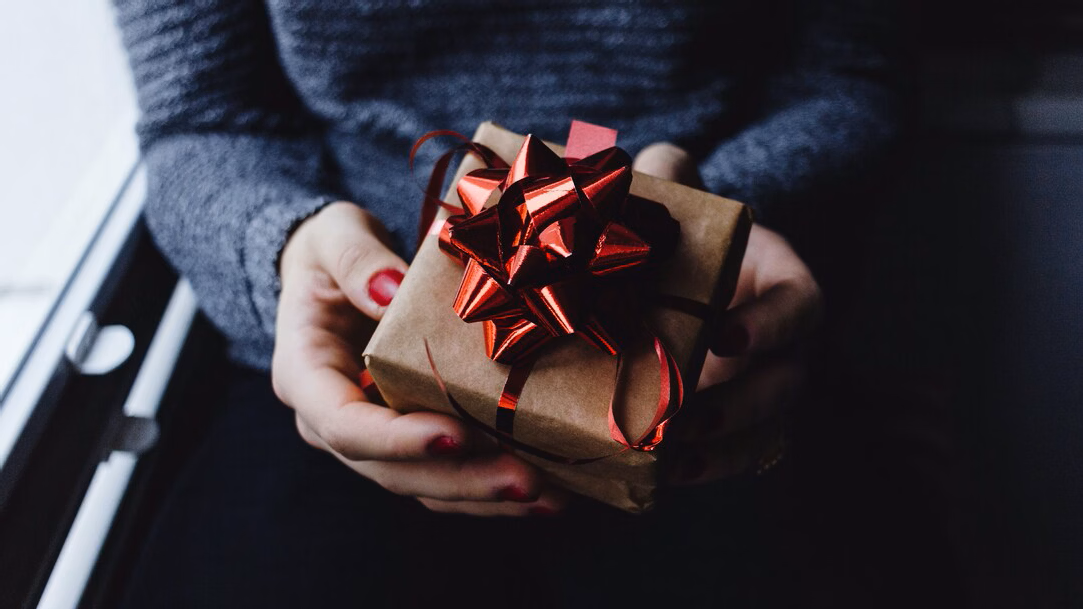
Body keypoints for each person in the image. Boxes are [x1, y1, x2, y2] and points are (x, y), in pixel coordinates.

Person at [111, 0, 899, 605]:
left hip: (704, 345)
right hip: (353, 342)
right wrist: (281, 247)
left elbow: (846, 78)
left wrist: (713, 230)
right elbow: (200, 120)